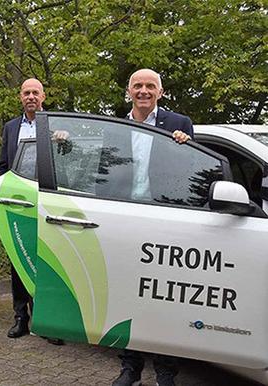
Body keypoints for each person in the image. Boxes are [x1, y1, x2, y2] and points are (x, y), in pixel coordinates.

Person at [112, 68, 192, 386]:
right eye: (137, 86)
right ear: (129, 91)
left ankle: (165, 371)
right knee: (126, 296)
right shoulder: (116, 125)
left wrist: (185, 145)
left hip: (164, 220)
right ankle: (130, 368)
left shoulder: (178, 125)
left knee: (163, 299)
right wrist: (62, 141)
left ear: (160, 92)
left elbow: (191, 172)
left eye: (150, 86)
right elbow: (101, 164)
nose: (143, 91)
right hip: (124, 221)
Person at [0, 78, 64, 345]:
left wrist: (65, 141)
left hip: (48, 202)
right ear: (20, 97)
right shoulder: (11, 128)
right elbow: (3, 165)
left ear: (43, 96)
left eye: (36, 92)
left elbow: (67, 159)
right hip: (19, 204)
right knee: (18, 260)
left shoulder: (55, 125)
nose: (31, 97)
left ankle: (46, 320)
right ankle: (20, 318)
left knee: (47, 261)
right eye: (27, 93)